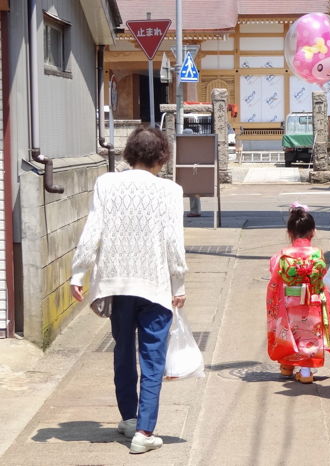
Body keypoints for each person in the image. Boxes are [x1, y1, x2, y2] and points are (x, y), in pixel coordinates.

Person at [70, 127, 187, 454]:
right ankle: (145, 431)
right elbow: (173, 244)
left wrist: (78, 274)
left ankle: (129, 418)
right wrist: (179, 283)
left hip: (117, 284)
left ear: (129, 153)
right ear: (162, 156)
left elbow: (93, 230)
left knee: (122, 352)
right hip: (155, 285)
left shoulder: (106, 183)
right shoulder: (170, 190)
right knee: (152, 357)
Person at [266, 202, 330, 384]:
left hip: (290, 302)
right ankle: (305, 371)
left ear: (289, 233)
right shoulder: (318, 254)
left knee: (288, 333)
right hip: (313, 301)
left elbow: (274, 280)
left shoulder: (281, 255)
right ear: (313, 231)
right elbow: (322, 277)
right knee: (308, 335)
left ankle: (286, 366)